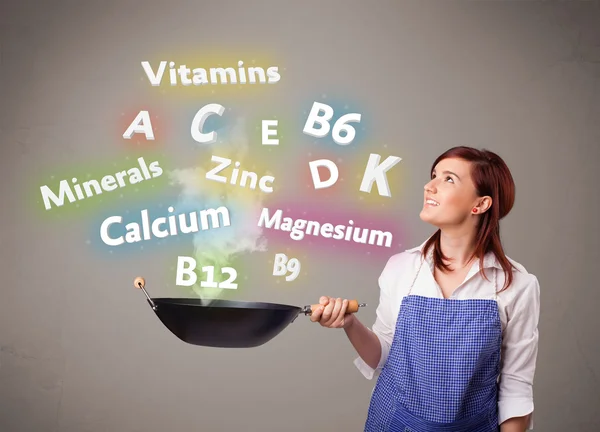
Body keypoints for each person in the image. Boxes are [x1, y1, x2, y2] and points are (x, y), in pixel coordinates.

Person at [310, 146, 541, 432]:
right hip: (395, 423)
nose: (429, 186)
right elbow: (383, 356)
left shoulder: (517, 285)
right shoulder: (401, 268)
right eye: (433, 175)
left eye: (448, 179)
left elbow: (515, 387)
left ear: (480, 205)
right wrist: (350, 324)